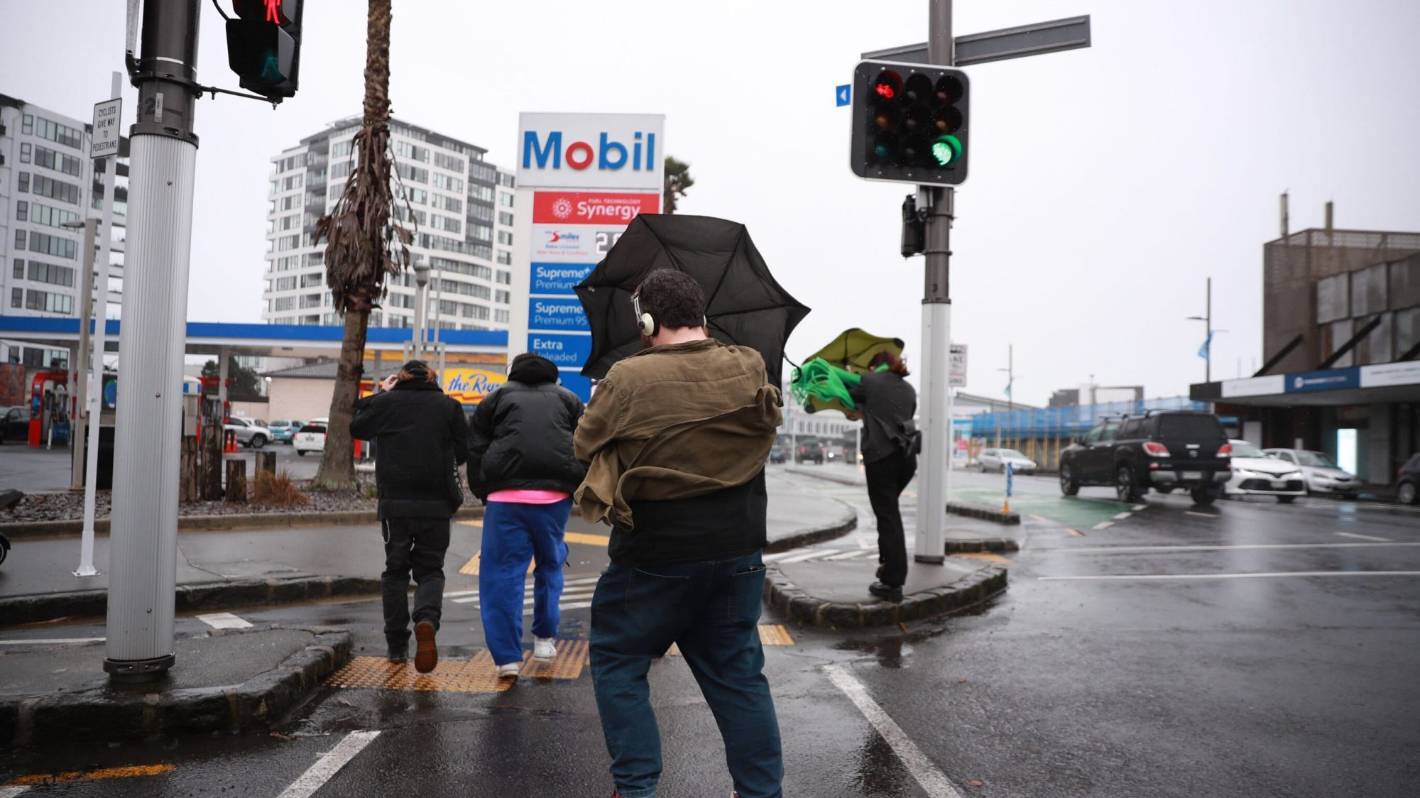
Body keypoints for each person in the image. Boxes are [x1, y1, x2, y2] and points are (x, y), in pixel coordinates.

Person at [575, 269, 784, 798]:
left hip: (654, 557)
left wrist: (607, 397)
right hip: (738, 552)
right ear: (703, 316)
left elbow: (584, 442)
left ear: (647, 321)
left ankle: (638, 788)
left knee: (619, 662)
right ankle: (761, 792)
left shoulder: (628, 378)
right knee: (739, 680)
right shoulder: (749, 363)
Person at [467, 352, 585, 679]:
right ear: (553, 377)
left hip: (505, 496)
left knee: (501, 573)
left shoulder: (497, 398)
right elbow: (587, 441)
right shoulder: (569, 399)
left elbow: (475, 446)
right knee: (550, 562)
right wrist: (576, 483)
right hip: (555, 495)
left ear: (513, 374)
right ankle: (545, 639)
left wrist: (482, 489)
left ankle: (507, 658)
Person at [350, 360, 469, 673]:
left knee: (396, 572)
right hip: (436, 505)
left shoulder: (387, 404)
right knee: (430, 570)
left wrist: (379, 394)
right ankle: (426, 620)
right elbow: (465, 450)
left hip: (395, 506)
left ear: (398, 380)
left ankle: (397, 647)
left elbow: (357, 427)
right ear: (433, 379)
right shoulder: (448, 407)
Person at [849, 351, 919, 603]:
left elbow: (851, 403)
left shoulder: (869, 381)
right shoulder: (909, 390)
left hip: (882, 457)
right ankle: (887, 568)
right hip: (906, 460)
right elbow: (892, 413)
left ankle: (893, 581)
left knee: (888, 516)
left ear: (874, 367)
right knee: (888, 513)